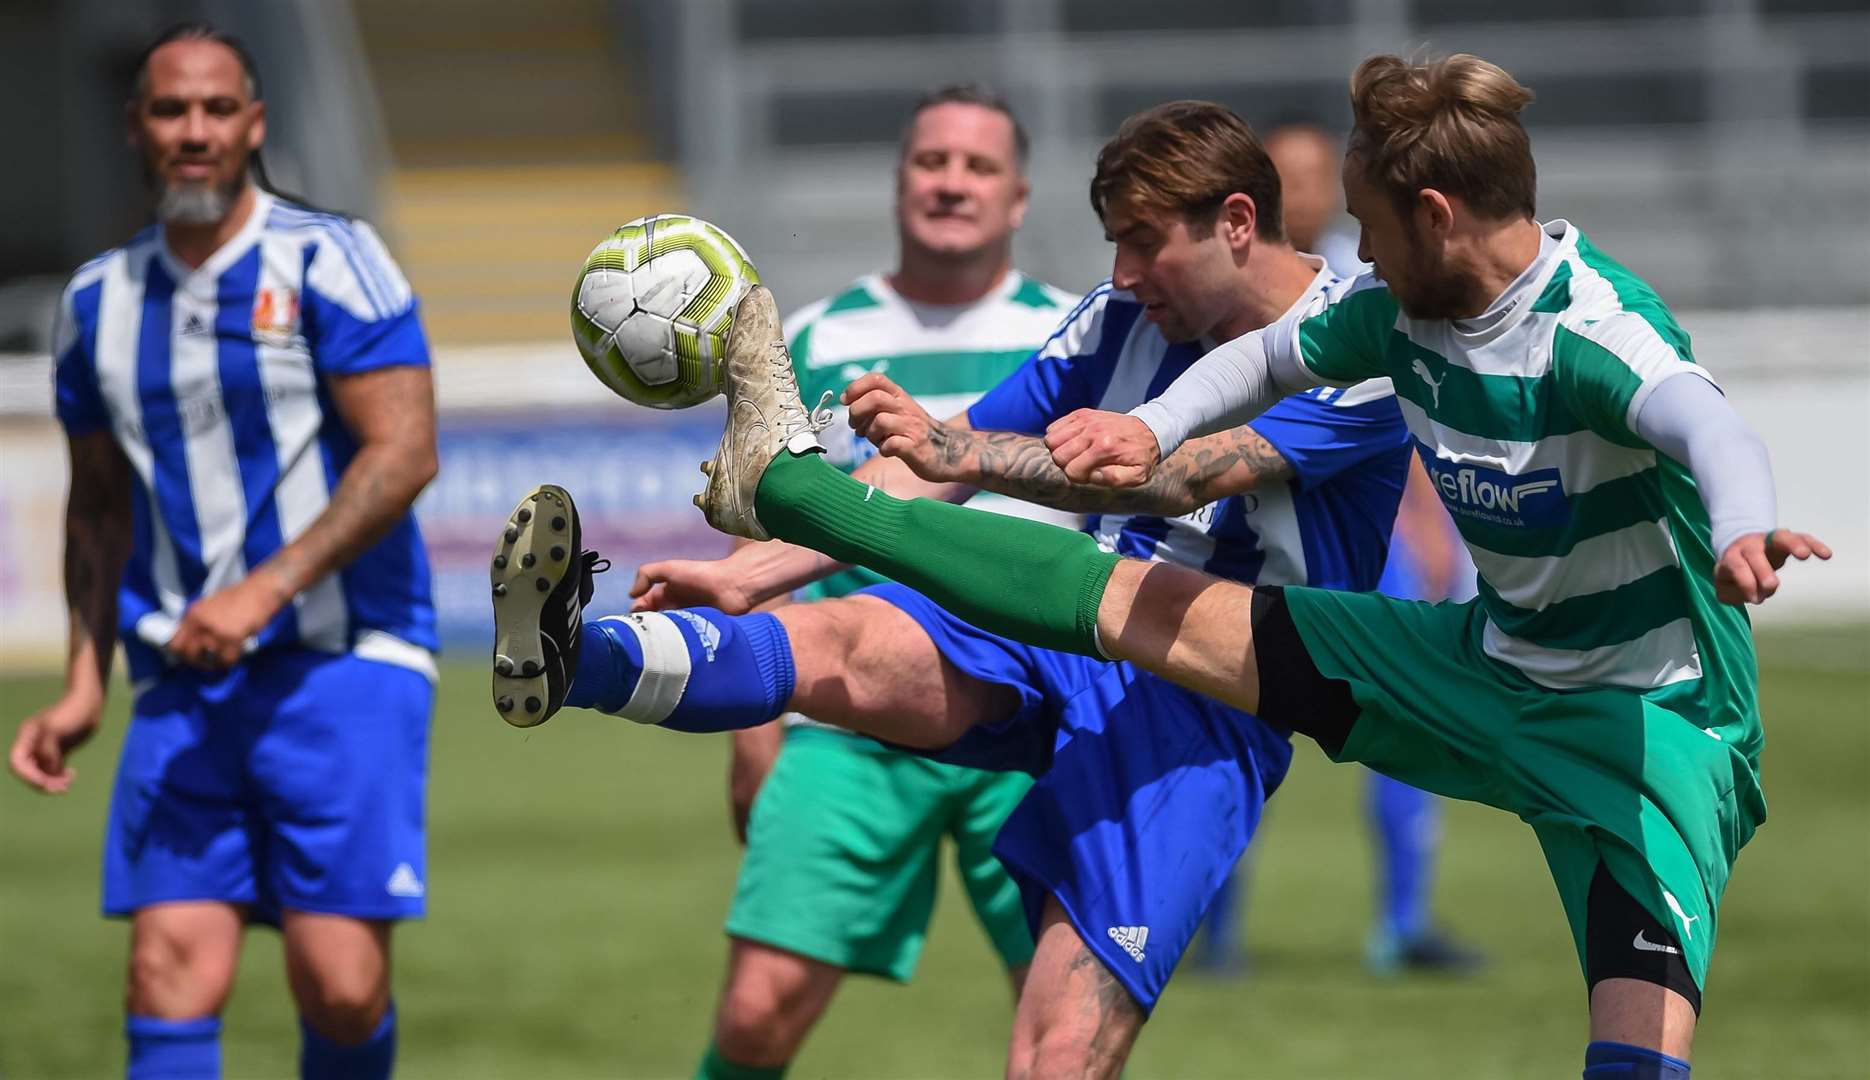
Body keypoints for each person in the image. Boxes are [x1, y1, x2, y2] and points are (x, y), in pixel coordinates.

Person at [653, 54, 1830, 1078]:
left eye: (1363, 223)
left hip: (1641, 717)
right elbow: (1254, 365)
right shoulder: (1388, 312)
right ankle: (605, 644)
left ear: (1429, 216)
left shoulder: (1587, 332)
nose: (1347, 250)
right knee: (1050, 613)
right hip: (1474, 659)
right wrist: (1148, 426)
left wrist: (1743, 522)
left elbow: (1701, 419)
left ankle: (777, 495)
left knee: (1633, 1053)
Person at [493, 101, 1415, 1078]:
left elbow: (1167, 474)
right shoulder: (1117, 321)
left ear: (1236, 221)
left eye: (1144, 246)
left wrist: (947, 448)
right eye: (1115, 246)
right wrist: (752, 571)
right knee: (842, 640)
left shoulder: (1356, 347)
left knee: (1054, 1060)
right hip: (1069, 617)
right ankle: (573, 655)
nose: (1123, 276)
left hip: (1206, 695)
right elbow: (939, 465)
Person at [8, 24, 439, 1080]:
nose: (192, 131)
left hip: (345, 662)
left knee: (339, 988)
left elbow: (405, 450)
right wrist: (80, 684)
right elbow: (98, 506)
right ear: (136, 128)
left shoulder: (332, 257)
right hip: (180, 681)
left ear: (253, 122)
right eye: (169, 110)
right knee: (166, 971)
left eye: (214, 109)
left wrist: (268, 589)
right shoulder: (97, 303)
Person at [702, 84, 1080, 1080]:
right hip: (848, 719)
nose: (951, 183)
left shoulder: (1072, 337)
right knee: (754, 1015)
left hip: (1033, 723)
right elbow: (759, 538)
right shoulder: (815, 340)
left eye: (977, 166)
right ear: (899, 178)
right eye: (932, 161)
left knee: (1065, 1033)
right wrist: (754, 731)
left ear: (1019, 197)